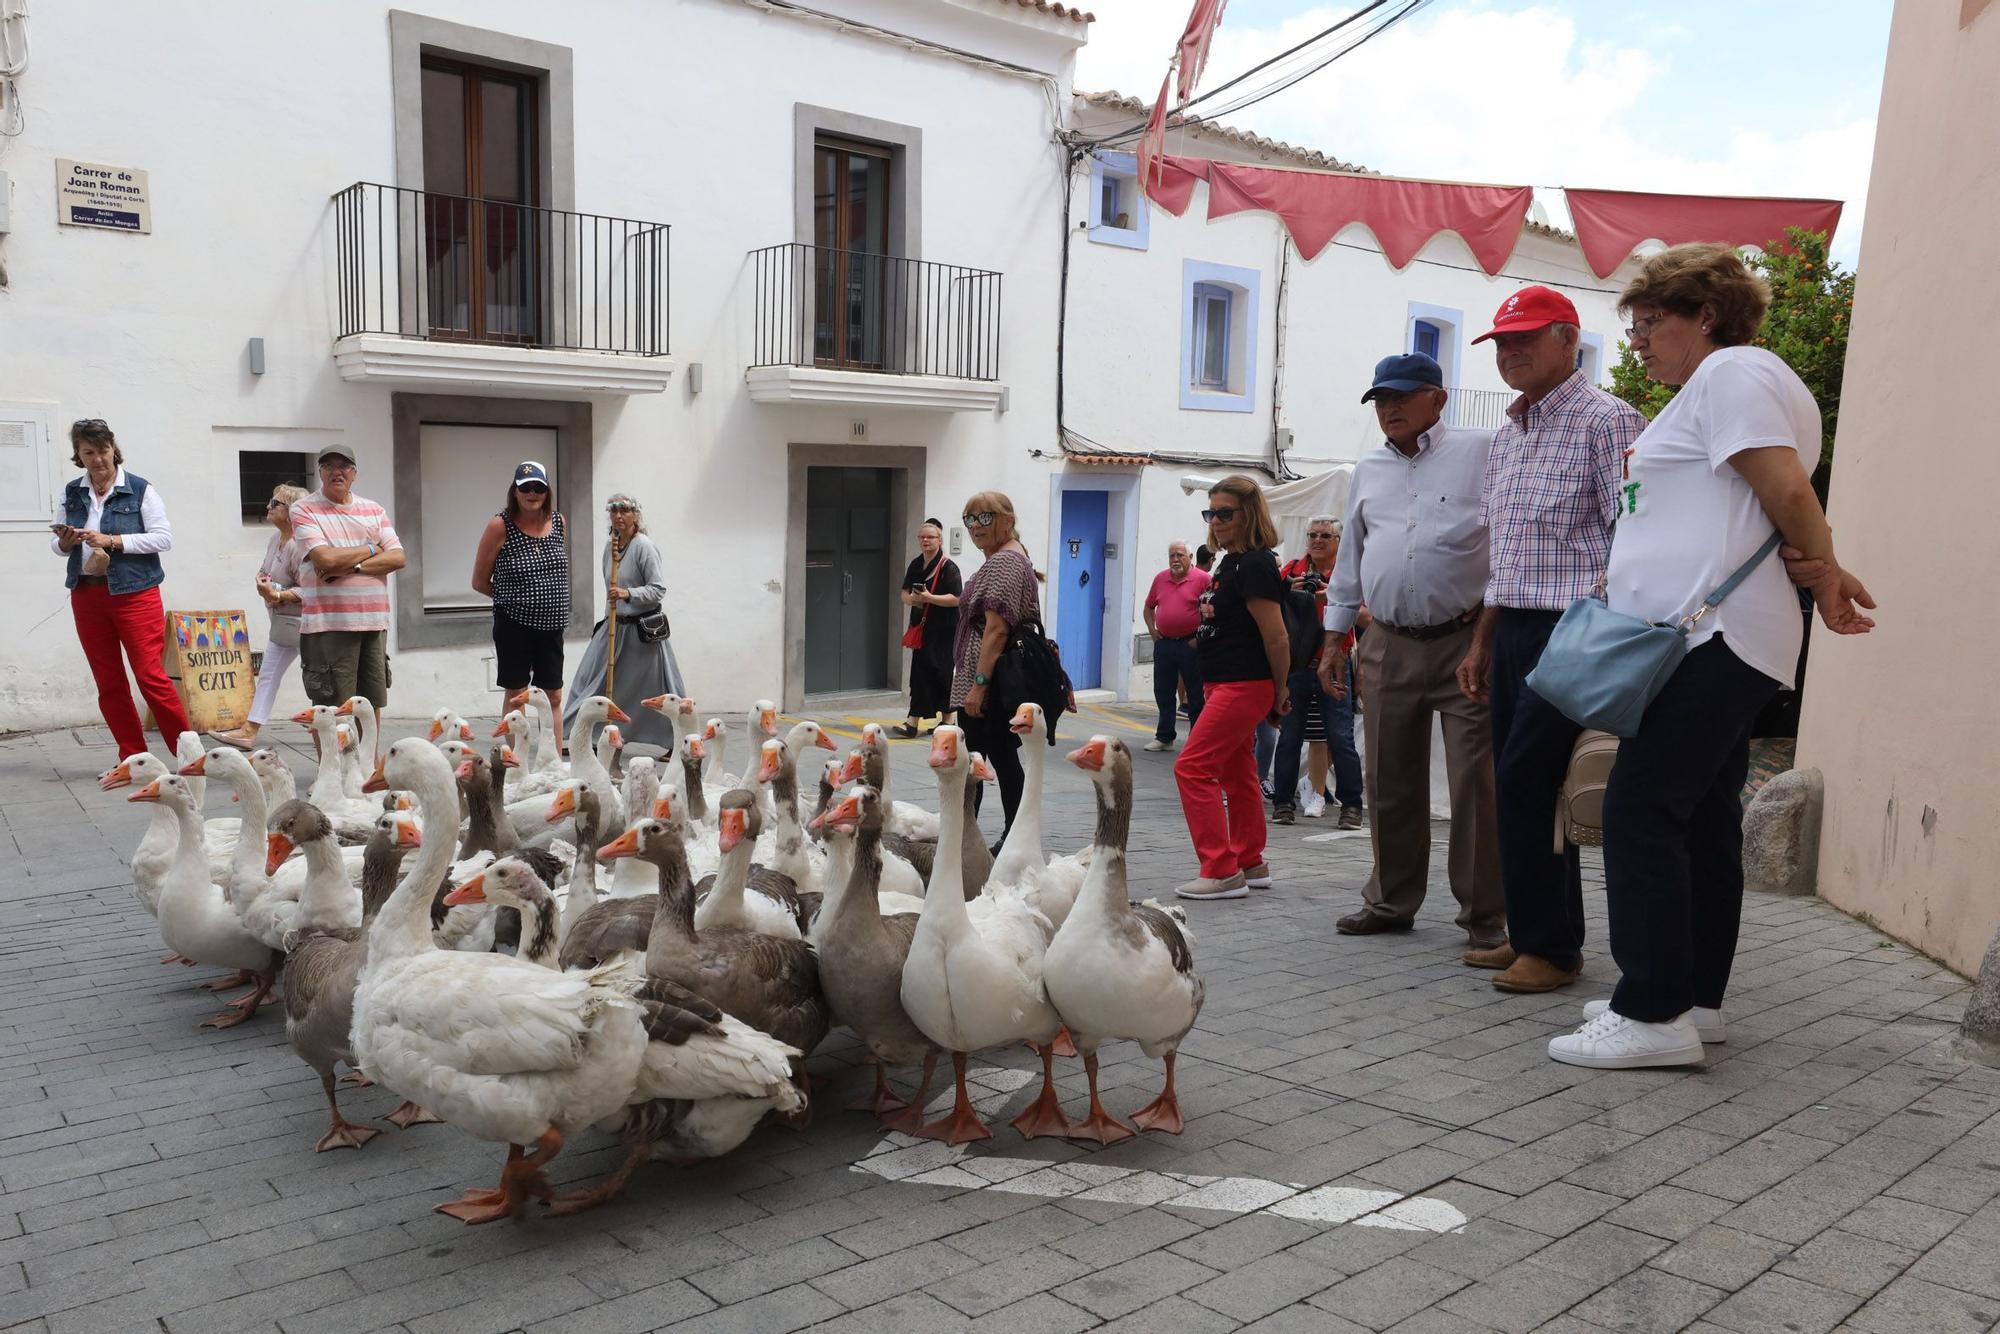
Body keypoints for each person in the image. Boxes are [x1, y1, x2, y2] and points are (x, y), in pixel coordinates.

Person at [1547, 245, 1876, 1068]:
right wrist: (1822, 565)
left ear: (1706, 314)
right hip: (1710, 637)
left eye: (1652, 322)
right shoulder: (1724, 385)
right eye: (1635, 326)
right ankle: (1690, 998)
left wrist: (1826, 572)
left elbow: (1788, 490)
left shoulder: (1735, 374)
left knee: (1640, 810)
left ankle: (1653, 1015)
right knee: (1695, 819)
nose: (1639, 341)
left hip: (1711, 637)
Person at [1456, 287, 1646, 994]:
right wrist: (1482, 643)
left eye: (1526, 339)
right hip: (1515, 628)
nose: (1512, 353)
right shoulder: (1509, 433)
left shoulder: (1610, 422)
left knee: (1527, 777)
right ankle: (1542, 934)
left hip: (1576, 627)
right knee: (1516, 784)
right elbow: (1507, 559)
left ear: (1570, 341)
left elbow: (1635, 530)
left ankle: (1552, 949)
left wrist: (1602, 627)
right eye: (1503, 343)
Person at [1322, 353, 1505, 957]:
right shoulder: (1369, 469)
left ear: (1439, 398)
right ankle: (1391, 901)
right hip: (1388, 642)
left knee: (1475, 782)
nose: (1390, 409)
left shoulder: (1483, 451)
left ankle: (1483, 912)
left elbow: (1507, 538)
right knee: (1389, 776)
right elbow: (1352, 555)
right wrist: (1334, 637)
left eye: (1402, 397)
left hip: (1466, 642)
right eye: (1380, 400)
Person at [1174, 475, 1289, 901]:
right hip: (1225, 681)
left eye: (1226, 513)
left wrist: (1279, 692)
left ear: (1250, 514)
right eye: (1212, 513)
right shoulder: (1231, 562)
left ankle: (1221, 869)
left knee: (1192, 767)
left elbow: (1276, 636)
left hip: (1243, 684)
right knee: (1236, 771)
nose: (1217, 521)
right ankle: (1249, 860)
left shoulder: (1256, 563)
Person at [49, 418, 192, 758]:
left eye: (103, 450)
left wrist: (111, 540)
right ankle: (133, 756)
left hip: (135, 594)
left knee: (150, 677)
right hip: (87, 593)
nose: (98, 459)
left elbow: (163, 538)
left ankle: (188, 755)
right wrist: (66, 543)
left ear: (114, 449)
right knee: (108, 681)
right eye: (89, 452)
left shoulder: (140, 489)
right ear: (78, 455)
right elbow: (55, 548)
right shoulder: (71, 492)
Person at [951, 491, 1041, 844]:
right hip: (995, 681)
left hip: (989, 682)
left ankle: (967, 838)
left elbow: (997, 628)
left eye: (985, 518)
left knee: (975, 762)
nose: (976, 527)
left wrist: (978, 685)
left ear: (1007, 519)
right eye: (970, 519)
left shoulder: (1004, 561)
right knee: (1002, 759)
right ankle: (1010, 837)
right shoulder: (1011, 556)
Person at [564, 493, 685, 753]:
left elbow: (658, 589)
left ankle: (678, 741)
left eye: (625, 511)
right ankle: (583, 736)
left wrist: (628, 593)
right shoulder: (611, 546)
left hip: (640, 633)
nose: (619, 516)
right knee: (591, 679)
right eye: (615, 511)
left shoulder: (644, 546)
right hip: (614, 628)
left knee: (656, 688)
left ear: (635, 515)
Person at [292, 446, 405, 710]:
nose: (336, 472)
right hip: (329, 623)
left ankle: (366, 754)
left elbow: (398, 558)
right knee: (330, 709)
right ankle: (333, 755)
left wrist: (353, 568)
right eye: (329, 466)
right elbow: (325, 560)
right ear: (320, 472)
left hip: (373, 622)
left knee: (369, 707)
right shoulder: (303, 509)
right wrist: (371, 549)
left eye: (344, 467)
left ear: (354, 473)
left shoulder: (373, 510)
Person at [472, 461, 571, 756]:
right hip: (514, 625)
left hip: (552, 625)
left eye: (538, 487)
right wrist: (513, 599)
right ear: (514, 491)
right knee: (517, 694)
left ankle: (551, 759)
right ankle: (517, 761)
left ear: (547, 490)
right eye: (525, 487)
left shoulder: (558, 522)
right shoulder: (499, 525)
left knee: (552, 694)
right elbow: (479, 581)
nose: (532, 493)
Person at [1274, 515, 1364, 827]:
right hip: (1298, 667)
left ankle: (1352, 806)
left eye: (1325, 535)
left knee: (1341, 738)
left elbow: (1369, 617)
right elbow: (1271, 606)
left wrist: (1335, 599)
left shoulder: (1349, 574)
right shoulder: (1292, 571)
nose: (1317, 540)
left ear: (1339, 541)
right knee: (1289, 737)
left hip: (1336, 663)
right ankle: (1283, 803)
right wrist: (1288, 591)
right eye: (1313, 534)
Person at [215, 484, 309, 748]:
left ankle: (339, 729)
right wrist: (265, 585)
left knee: (321, 682)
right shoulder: (274, 541)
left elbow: (311, 589)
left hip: (307, 625)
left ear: (292, 512)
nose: (268, 506)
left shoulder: (298, 546)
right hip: (283, 624)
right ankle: (250, 730)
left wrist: (277, 594)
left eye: (275, 503)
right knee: (268, 674)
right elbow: (265, 572)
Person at [892, 518, 961, 738]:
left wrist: (929, 598)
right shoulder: (915, 564)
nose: (925, 541)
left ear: (939, 540)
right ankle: (913, 722)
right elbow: (904, 593)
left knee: (941, 673)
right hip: (922, 627)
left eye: (930, 537)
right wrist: (912, 599)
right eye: (922, 537)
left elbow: (957, 598)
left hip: (945, 629)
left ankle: (947, 720)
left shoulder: (949, 567)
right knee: (920, 673)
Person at [1142, 540, 1209, 752]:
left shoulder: (1203, 579)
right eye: (1172, 555)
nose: (1175, 559)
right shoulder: (1161, 579)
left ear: (1190, 558)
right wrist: (1153, 632)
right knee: (1163, 691)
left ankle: (1196, 740)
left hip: (1191, 644)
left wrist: (1200, 638)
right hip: (1165, 644)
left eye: (1180, 555)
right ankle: (1164, 736)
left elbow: (1213, 611)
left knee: (1196, 694)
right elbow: (1148, 607)